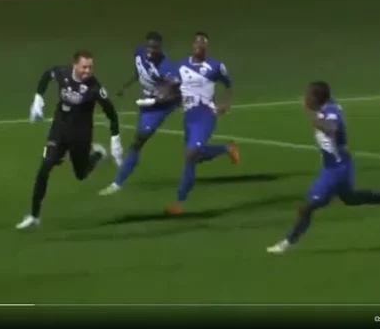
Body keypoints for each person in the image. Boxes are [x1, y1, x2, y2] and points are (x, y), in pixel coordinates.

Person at [267, 81, 380, 254]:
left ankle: (288, 243)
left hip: (336, 169)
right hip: (337, 165)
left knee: (307, 207)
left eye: (308, 95)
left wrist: (308, 112)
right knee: (350, 199)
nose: (305, 98)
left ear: (316, 98)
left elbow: (331, 128)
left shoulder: (331, 112)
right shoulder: (327, 106)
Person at [16, 50, 123, 229]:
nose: (87, 71)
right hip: (59, 130)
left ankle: (96, 155)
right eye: (84, 67)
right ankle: (34, 216)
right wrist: (38, 99)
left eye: (90, 67)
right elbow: (46, 75)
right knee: (45, 167)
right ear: (75, 65)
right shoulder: (63, 74)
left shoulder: (95, 88)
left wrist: (115, 139)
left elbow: (112, 114)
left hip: (81, 136)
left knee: (81, 174)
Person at [166, 32, 239, 215]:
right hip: (189, 117)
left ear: (206, 46)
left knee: (191, 154)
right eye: (197, 43)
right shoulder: (181, 66)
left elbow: (229, 85)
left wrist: (225, 104)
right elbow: (172, 87)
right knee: (192, 158)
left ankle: (179, 202)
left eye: (203, 43)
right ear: (193, 45)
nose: (199, 46)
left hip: (205, 114)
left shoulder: (215, 66)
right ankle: (226, 149)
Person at [99, 32, 180, 196]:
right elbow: (140, 72)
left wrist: (159, 98)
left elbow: (176, 93)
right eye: (149, 47)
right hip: (146, 103)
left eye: (155, 48)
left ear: (160, 48)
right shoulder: (139, 53)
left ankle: (117, 182)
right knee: (137, 142)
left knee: (139, 139)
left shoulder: (166, 68)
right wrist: (126, 85)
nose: (151, 51)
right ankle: (127, 166)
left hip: (160, 108)